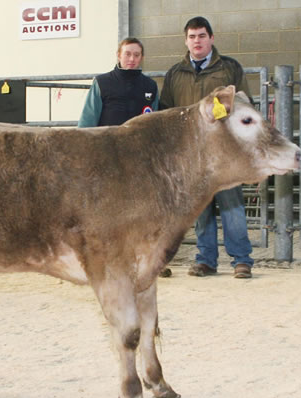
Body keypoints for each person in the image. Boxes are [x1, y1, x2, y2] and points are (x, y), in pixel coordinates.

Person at [159, 16, 254, 279]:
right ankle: (206, 260)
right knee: (200, 208)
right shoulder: (175, 74)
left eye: (202, 36)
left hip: (225, 151)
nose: (197, 41)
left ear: (211, 38)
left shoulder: (229, 68)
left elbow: (245, 102)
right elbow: (167, 112)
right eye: (192, 36)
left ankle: (241, 260)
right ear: (186, 40)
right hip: (191, 153)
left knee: (232, 205)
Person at [79, 37, 172, 278]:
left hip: (140, 161)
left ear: (142, 57)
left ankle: (148, 261)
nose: (132, 59)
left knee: (145, 212)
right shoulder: (102, 84)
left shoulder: (150, 86)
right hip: (107, 159)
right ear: (118, 55)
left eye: (137, 55)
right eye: (127, 54)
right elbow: (87, 122)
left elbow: (154, 123)